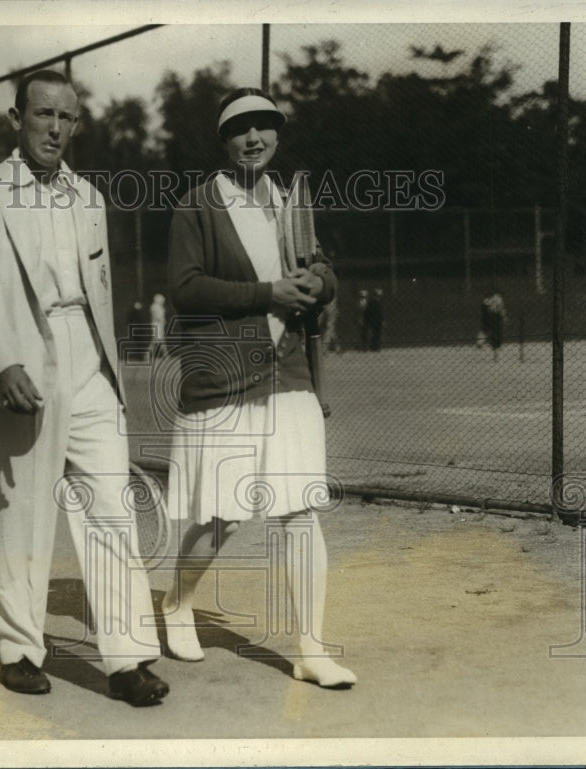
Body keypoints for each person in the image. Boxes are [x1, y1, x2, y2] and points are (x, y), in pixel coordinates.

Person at [0, 70, 168, 706]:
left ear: (76, 124)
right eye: (41, 114)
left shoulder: (89, 197)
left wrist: (105, 367)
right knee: (22, 510)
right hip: (24, 364)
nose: (53, 127)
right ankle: (19, 650)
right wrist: (1, 362)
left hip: (91, 364)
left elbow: (96, 291)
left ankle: (127, 661)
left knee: (111, 508)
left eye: (65, 117)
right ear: (15, 118)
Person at [161, 87, 357, 689]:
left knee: (299, 513)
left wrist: (317, 284)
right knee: (223, 516)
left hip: (289, 372)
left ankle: (311, 650)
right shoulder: (197, 206)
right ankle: (176, 603)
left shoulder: (291, 201)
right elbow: (185, 288)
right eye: (240, 128)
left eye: (265, 126)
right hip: (223, 378)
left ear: (277, 135)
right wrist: (267, 293)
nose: (254, 138)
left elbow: (321, 264)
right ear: (224, 141)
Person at [149, 292, 167, 357]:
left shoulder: (158, 307)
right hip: (157, 325)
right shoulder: (155, 307)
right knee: (157, 340)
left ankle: (165, 354)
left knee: (158, 340)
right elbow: (158, 316)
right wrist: (163, 320)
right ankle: (165, 354)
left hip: (159, 325)